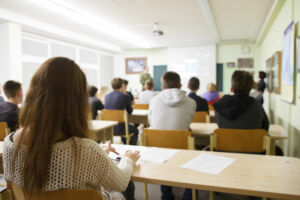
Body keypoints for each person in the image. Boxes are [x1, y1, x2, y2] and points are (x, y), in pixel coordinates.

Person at [3, 57, 140, 200]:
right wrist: (128, 159)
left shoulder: (9, 144)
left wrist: (100, 156)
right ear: (78, 100)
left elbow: (51, 171)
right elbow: (121, 182)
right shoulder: (86, 150)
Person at [149, 71, 195, 200]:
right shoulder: (192, 102)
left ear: (162, 87)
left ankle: (166, 195)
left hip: (159, 151)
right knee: (193, 149)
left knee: (164, 146)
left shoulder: (153, 101)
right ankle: (188, 194)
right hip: (183, 149)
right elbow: (187, 122)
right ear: (180, 85)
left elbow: (152, 123)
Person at [105, 78, 139, 145]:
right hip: (121, 128)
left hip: (109, 128)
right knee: (135, 130)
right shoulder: (125, 96)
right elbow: (130, 112)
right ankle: (131, 147)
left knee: (125, 126)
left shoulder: (106, 96)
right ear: (122, 85)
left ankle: (125, 144)